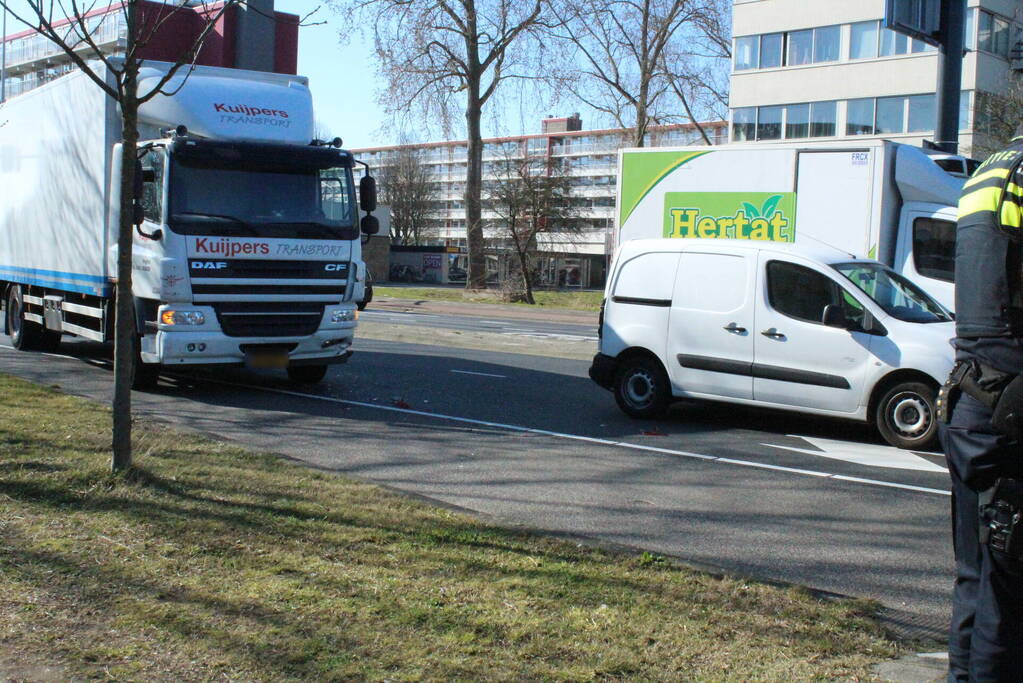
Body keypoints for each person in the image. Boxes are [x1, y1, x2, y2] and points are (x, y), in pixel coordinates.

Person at [938, 127, 1023, 682]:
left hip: (971, 398)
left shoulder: (991, 168)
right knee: (1008, 598)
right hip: (1012, 407)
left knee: (977, 577)